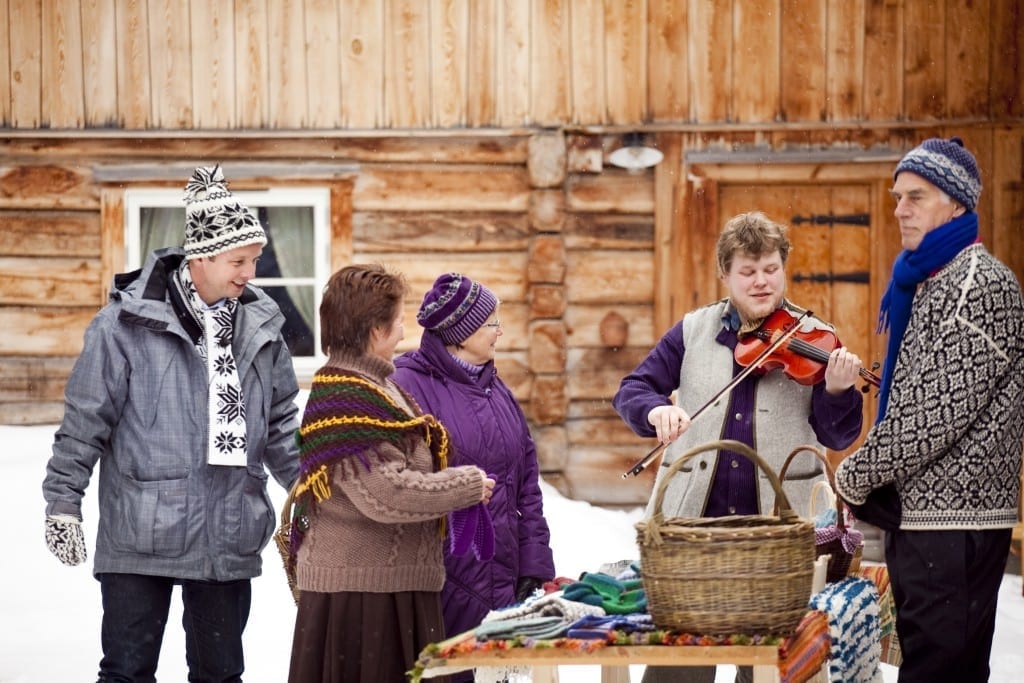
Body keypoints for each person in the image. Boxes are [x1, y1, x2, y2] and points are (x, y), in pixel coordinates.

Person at [42, 165, 301, 682]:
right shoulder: (124, 324)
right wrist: (62, 502)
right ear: (201, 257)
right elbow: (85, 419)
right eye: (240, 261)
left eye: (254, 260)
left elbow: (278, 426)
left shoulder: (262, 328)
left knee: (220, 675)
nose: (251, 272)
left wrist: (311, 492)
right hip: (141, 530)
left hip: (229, 529)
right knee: (127, 673)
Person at [612, 210, 866, 683]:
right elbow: (632, 388)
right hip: (695, 529)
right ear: (725, 274)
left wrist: (836, 391)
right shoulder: (692, 331)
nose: (761, 282)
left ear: (783, 268)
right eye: (747, 272)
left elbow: (837, 436)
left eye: (770, 269)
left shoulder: (815, 339)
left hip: (781, 530)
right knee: (679, 667)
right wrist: (654, 411)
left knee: (772, 666)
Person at [834, 137, 1024, 683]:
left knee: (940, 673)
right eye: (897, 197)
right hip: (927, 519)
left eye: (916, 196)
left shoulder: (978, 285)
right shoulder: (929, 280)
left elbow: (932, 417)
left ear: (957, 204)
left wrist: (856, 472)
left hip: (954, 525)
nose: (900, 210)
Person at [285, 263, 496, 683]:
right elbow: (386, 493)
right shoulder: (346, 395)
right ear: (376, 331)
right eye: (398, 321)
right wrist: (464, 486)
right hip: (362, 600)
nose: (403, 332)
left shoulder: (381, 386)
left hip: (389, 589)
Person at [393, 273, 556, 669]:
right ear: (461, 333)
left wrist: (533, 563)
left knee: (501, 675)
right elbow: (400, 484)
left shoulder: (497, 389)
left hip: (507, 577)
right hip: (446, 580)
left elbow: (527, 488)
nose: (500, 332)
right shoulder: (405, 385)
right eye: (491, 323)